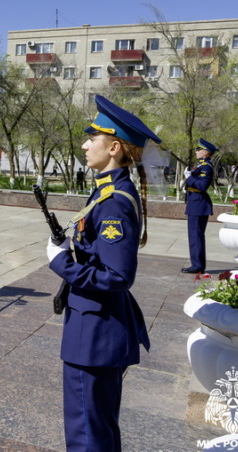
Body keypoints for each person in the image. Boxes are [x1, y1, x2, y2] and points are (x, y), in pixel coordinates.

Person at [45, 94, 154, 451]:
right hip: (96, 328)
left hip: (94, 334)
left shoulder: (113, 204)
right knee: (99, 427)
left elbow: (117, 276)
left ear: (115, 148)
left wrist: (59, 262)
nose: (84, 144)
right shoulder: (107, 193)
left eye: (93, 138)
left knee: (87, 432)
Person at [182, 138, 217, 275]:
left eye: (199, 149)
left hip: (199, 205)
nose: (196, 152)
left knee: (196, 236)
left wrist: (189, 178)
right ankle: (196, 264)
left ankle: (197, 265)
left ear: (206, 152)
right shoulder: (201, 166)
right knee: (194, 236)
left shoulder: (206, 167)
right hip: (195, 204)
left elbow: (202, 186)